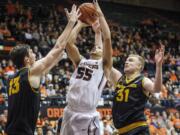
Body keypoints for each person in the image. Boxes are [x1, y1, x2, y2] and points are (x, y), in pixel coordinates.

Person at [5, 5, 81, 135]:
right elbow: (58, 46)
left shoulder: (12, 78)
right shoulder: (31, 72)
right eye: (31, 52)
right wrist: (71, 23)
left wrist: (55, 60)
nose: (34, 53)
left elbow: (43, 72)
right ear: (27, 60)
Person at [60, 0, 112, 135]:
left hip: (87, 115)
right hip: (70, 111)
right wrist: (79, 24)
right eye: (95, 46)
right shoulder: (81, 61)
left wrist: (100, 15)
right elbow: (69, 44)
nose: (96, 47)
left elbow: (107, 39)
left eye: (99, 48)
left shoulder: (104, 65)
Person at [109, 44, 165, 134]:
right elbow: (105, 63)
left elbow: (156, 89)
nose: (126, 62)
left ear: (139, 66)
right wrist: (98, 34)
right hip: (121, 131)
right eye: (126, 61)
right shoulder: (119, 79)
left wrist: (158, 66)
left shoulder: (143, 80)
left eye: (131, 61)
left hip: (137, 129)